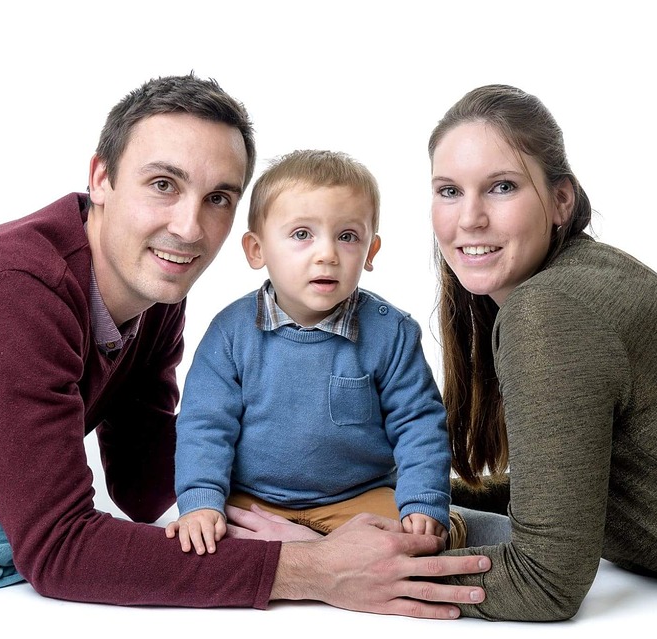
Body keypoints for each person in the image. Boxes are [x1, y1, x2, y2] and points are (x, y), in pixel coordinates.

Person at [0, 73, 490, 617]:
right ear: (101, 178)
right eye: (163, 184)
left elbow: (144, 486)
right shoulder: (15, 293)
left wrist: (310, 473)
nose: (190, 227)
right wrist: (310, 568)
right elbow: (59, 552)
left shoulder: (154, 297)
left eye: (218, 197)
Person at [426, 84, 657, 620]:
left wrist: (351, 570)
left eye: (502, 187)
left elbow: (542, 581)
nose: (470, 218)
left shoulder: (551, 310)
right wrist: (412, 494)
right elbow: (569, 489)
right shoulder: (576, 281)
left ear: (561, 200)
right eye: (449, 191)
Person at [165, 150, 458, 556]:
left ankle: (447, 522)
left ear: (371, 252)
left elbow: (418, 424)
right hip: (253, 498)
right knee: (206, 549)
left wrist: (423, 502)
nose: (327, 254)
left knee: (416, 545)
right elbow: (204, 424)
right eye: (302, 234)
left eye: (347, 236)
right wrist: (201, 500)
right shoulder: (230, 334)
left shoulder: (391, 333)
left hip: (358, 497)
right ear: (257, 249)